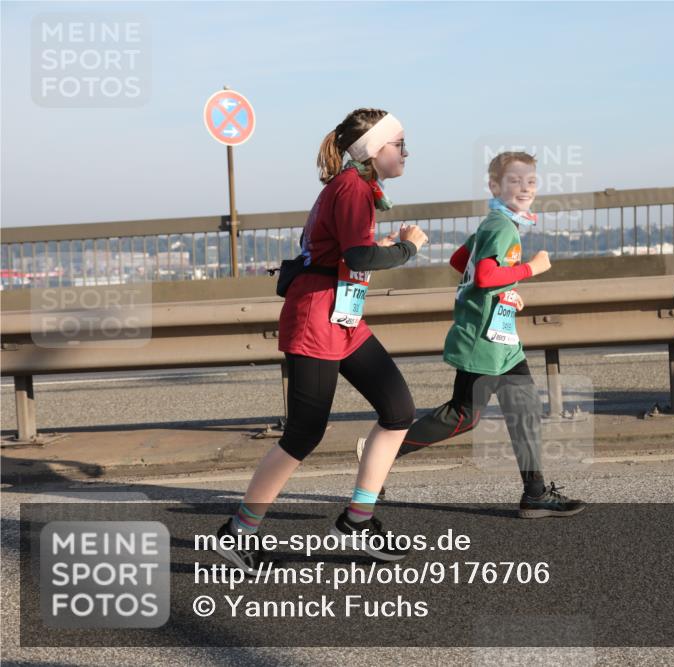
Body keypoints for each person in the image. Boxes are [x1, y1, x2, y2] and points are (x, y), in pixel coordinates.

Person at [215, 108, 428, 572]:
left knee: (399, 410)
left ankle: (358, 518)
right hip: (317, 320)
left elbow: (351, 253)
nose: (406, 152)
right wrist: (407, 247)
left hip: (343, 320)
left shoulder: (356, 187)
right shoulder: (352, 187)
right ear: (375, 150)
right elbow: (358, 254)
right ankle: (239, 532)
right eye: (400, 144)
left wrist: (383, 248)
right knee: (304, 433)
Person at [358, 151, 585, 518]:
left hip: (501, 340)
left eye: (530, 181)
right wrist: (531, 269)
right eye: (515, 181)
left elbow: (460, 263)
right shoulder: (501, 227)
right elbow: (483, 276)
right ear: (496, 186)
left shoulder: (494, 222)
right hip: (484, 341)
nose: (525, 188)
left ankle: (535, 493)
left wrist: (504, 292)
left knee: (523, 410)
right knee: (463, 416)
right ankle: (384, 452)